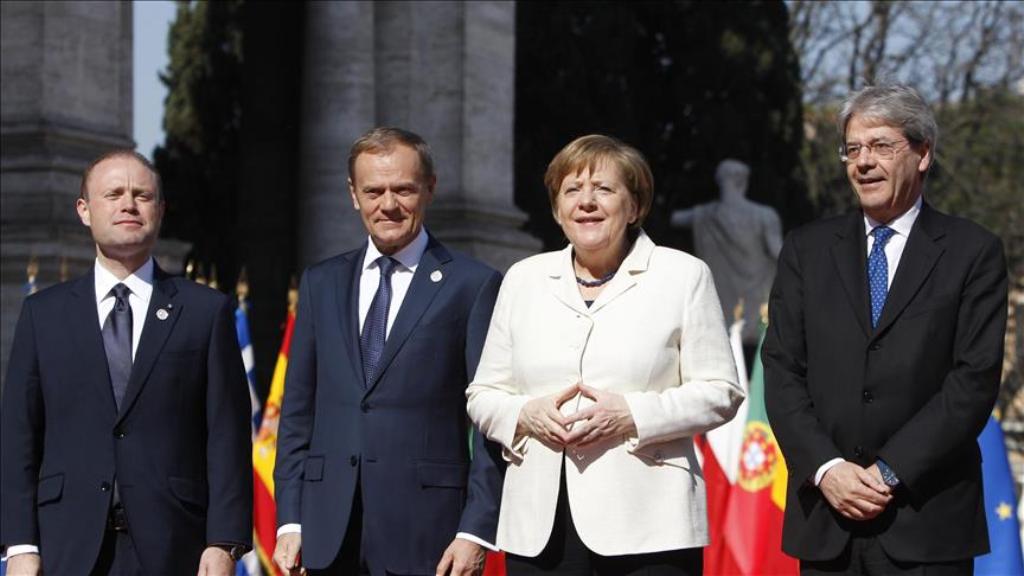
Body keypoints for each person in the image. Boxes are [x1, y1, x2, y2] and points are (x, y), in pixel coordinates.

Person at [466, 134, 745, 575]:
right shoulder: (523, 279)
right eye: (572, 190)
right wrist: (526, 413)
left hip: (649, 526)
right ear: (558, 210)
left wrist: (634, 414)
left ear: (635, 207)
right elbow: (482, 394)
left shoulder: (683, 275)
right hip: (539, 529)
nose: (587, 202)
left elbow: (722, 391)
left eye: (604, 189)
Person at [763, 84, 1008, 574]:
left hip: (926, 521)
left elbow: (972, 381)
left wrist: (889, 472)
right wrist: (828, 469)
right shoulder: (806, 251)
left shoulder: (972, 252)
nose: (863, 162)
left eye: (881, 146)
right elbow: (782, 369)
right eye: (853, 149)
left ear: (923, 154)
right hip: (827, 523)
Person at [1, 150, 253, 575]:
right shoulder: (43, 315)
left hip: (176, 546)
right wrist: (20, 543)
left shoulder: (205, 311)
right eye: (113, 194)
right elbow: (19, 434)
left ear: (160, 209)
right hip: (67, 546)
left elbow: (226, 432)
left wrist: (224, 542)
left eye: (142, 195)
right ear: (84, 210)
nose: (128, 205)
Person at [272, 127, 504, 576]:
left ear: (430, 189)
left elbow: (490, 419)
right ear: (353, 195)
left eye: (404, 189)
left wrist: (475, 530)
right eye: (373, 191)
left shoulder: (472, 286)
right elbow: (298, 412)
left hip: (429, 536)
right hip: (326, 533)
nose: (389, 205)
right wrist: (291, 518)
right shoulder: (321, 283)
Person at [670, 159, 782, 359]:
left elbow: (676, 218)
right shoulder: (764, 216)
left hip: (721, 306)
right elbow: (781, 255)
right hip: (754, 305)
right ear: (742, 183)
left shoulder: (704, 215)